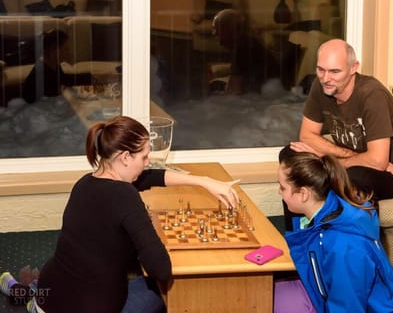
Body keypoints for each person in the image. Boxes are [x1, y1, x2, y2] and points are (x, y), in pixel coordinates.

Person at [0, 115, 240, 313]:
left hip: (51, 292)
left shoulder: (85, 182)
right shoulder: (124, 196)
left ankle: (26, 293)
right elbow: (161, 270)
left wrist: (205, 181)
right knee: (159, 292)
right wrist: (154, 231)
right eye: (144, 157)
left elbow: (151, 177)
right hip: (89, 306)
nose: (147, 163)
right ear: (125, 158)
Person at [275, 145, 393, 312]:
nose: (279, 192)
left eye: (282, 187)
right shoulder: (329, 206)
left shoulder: (344, 247)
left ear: (303, 194)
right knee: (270, 292)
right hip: (330, 294)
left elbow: (348, 307)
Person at [290, 38, 393, 202]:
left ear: (353, 68)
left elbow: (377, 162)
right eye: (320, 69)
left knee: (355, 175)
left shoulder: (372, 94)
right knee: (291, 155)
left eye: (334, 72)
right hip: (368, 164)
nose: (326, 78)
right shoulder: (321, 86)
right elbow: (307, 136)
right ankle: (301, 227)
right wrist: (343, 158)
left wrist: (327, 161)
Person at [211, 9, 281, 95]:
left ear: (229, 29)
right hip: (271, 87)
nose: (214, 33)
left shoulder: (242, 48)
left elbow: (235, 90)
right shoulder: (246, 41)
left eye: (216, 29)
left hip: (268, 90)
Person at [21, 29, 92, 104]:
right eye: (65, 49)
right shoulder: (42, 74)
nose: (68, 52)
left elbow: (64, 79)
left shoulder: (53, 65)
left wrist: (90, 77)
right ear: (53, 50)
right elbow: (53, 101)